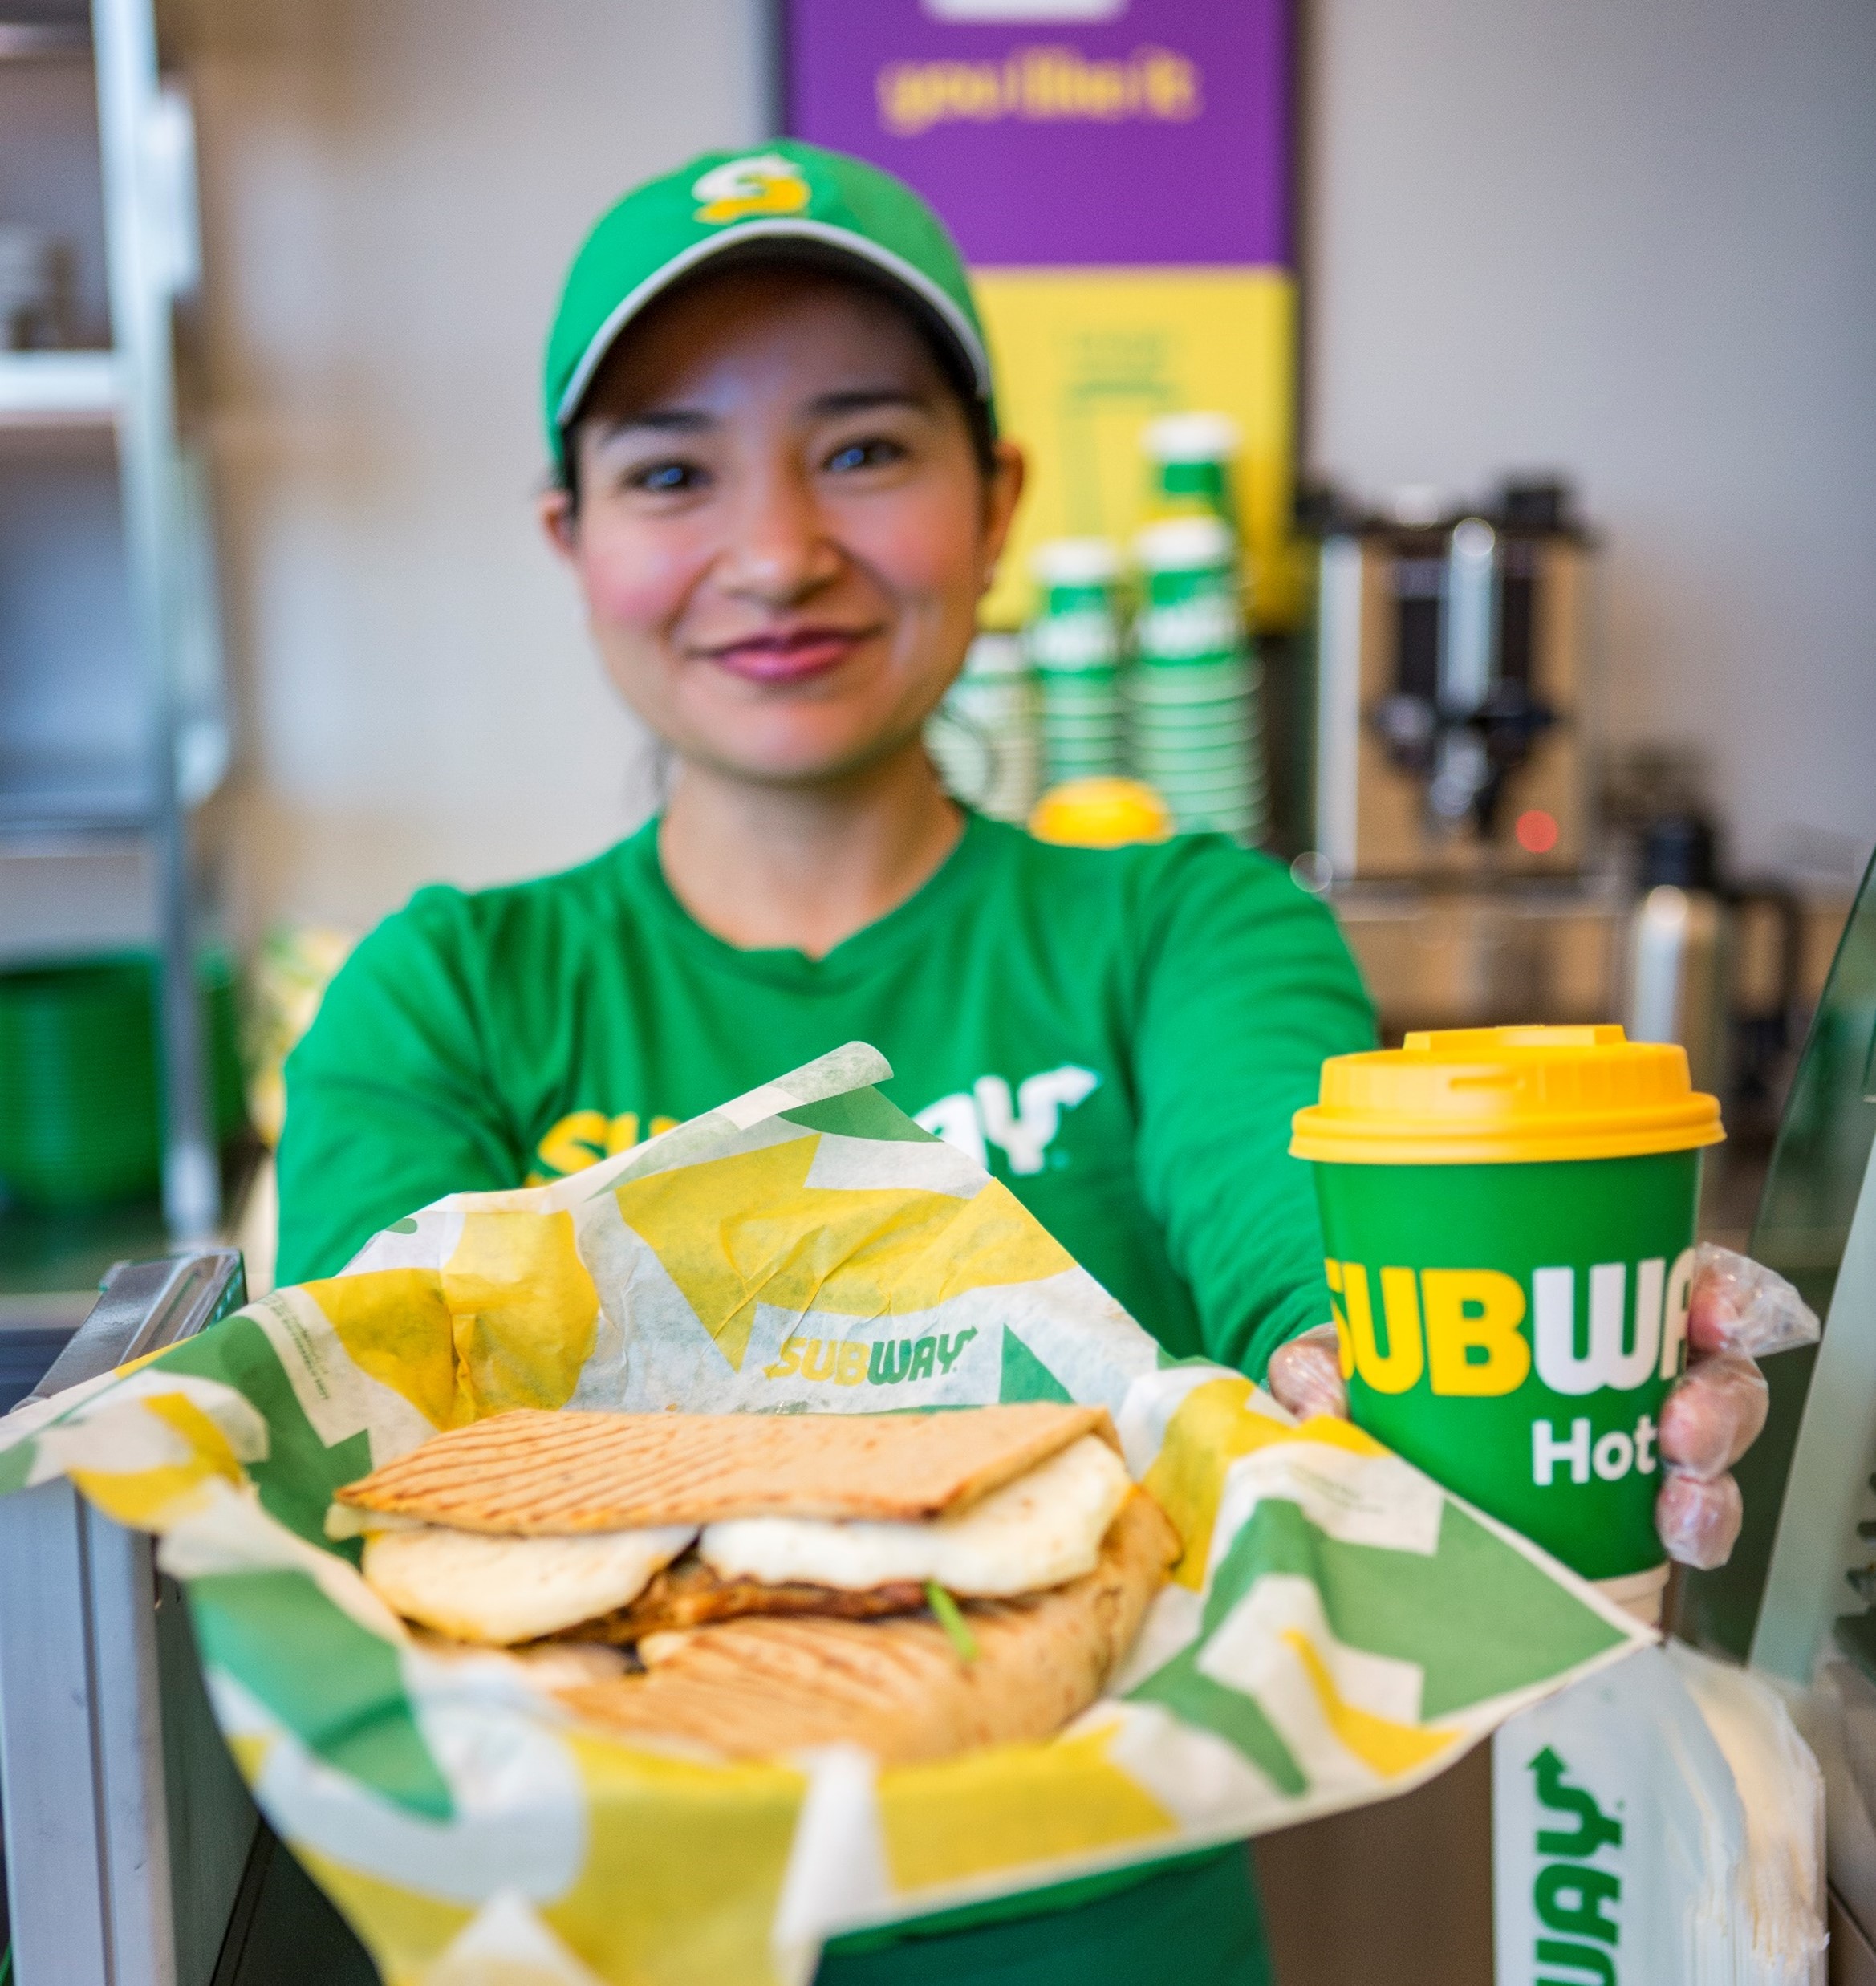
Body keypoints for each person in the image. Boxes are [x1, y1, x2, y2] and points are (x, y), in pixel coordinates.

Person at [276, 140, 1781, 1985]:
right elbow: (396, 1463)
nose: (775, 552)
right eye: (671, 471)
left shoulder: (1177, 932)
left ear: (993, 502)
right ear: (569, 538)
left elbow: (1289, 1235)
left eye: (862, 449)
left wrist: (1456, 1358)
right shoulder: (445, 993)